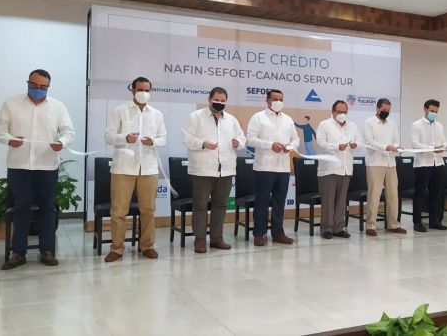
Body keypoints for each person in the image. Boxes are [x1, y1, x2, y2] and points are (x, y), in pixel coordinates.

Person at [0, 69, 75, 270]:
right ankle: (18, 253)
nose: (38, 89)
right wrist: (10, 140)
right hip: (19, 166)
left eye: (43, 87)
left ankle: (47, 251)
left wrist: (61, 143)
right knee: (21, 208)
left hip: (47, 166)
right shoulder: (11, 104)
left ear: (48, 87)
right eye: (34, 85)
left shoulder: (58, 107)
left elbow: (68, 132)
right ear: (28, 82)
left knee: (48, 208)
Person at [103, 77, 167, 262]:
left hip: (148, 168)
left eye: (147, 90)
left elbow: (163, 138)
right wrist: (125, 138)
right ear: (132, 90)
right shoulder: (119, 111)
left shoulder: (157, 114)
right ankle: (117, 248)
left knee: (148, 210)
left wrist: (153, 141)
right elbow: (108, 136)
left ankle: (147, 246)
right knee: (118, 211)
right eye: (140, 89)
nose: (143, 93)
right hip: (123, 168)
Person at [182, 87, 245, 253]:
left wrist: (238, 143)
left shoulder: (231, 120)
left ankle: (217, 238)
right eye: (216, 100)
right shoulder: (196, 117)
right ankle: (200, 240)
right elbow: (187, 138)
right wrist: (203, 143)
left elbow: (242, 138)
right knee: (200, 206)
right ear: (209, 99)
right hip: (202, 169)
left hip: (225, 170)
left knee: (221, 205)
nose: (219, 103)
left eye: (223, 101)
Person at [246, 89, 300, 246]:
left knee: (279, 202)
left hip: (283, 167)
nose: (278, 102)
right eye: (275, 99)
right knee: (262, 201)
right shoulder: (258, 117)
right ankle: (259, 234)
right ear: (267, 100)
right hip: (264, 166)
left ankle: (278, 233)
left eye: (281, 99)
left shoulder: (288, 119)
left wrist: (290, 146)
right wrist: (270, 145)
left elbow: (296, 139)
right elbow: (250, 140)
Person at [315, 100, 360, 239]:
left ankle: (338, 228)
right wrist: (336, 147)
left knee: (341, 201)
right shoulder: (324, 125)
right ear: (333, 111)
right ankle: (326, 228)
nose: (342, 114)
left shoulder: (352, 126)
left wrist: (355, 145)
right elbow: (320, 143)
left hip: (345, 168)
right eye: (339, 112)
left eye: (345, 112)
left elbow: (359, 142)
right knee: (328, 201)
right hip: (329, 168)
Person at [363, 98, 406, 236]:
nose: (386, 112)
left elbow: (396, 140)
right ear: (377, 108)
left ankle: (393, 225)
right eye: (384, 110)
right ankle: (371, 226)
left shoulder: (392, 123)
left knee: (393, 194)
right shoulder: (369, 123)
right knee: (374, 195)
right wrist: (385, 147)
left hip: (390, 162)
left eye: (388, 110)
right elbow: (369, 142)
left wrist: (397, 147)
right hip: (375, 162)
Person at [410, 99, 447, 232]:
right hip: (423, 164)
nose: (434, 113)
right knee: (420, 193)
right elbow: (415, 144)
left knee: (436, 193)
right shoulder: (416, 125)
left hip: (438, 163)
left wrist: (446, 147)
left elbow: (443, 141)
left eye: (436, 112)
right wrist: (432, 148)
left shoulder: (439, 125)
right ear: (425, 109)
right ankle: (417, 222)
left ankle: (434, 221)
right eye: (432, 111)